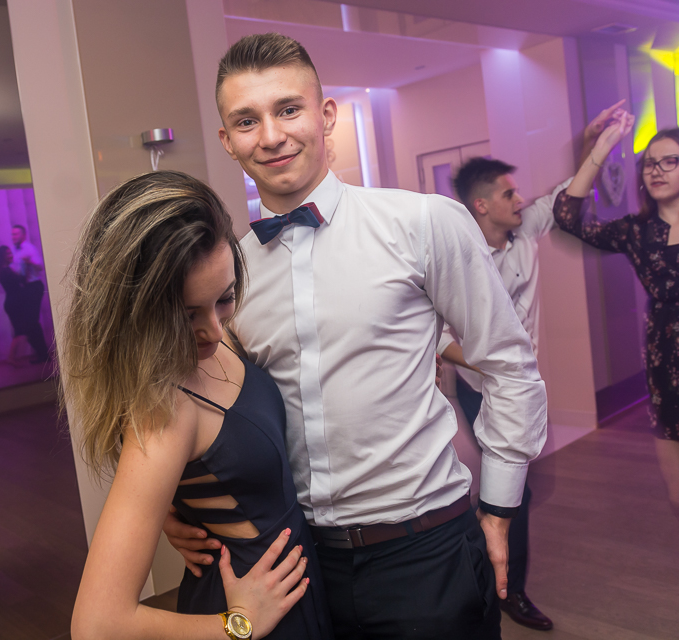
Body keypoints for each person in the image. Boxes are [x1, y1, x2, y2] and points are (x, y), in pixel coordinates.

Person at [165, 33, 547, 639]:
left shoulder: (421, 223)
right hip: (296, 562)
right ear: (227, 140)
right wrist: (173, 509)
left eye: (288, 109)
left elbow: (507, 364)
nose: (271, 136)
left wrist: (499, 510)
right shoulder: (230, 270)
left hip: (425, 550)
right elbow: (208, 401)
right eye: (247, 120)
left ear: (326, 116)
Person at [65, 171, 332, 640]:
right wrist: (241, 625)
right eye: (187, 315)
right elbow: (97, 625)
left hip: (288, 586)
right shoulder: (164, 411)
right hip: (248, 608)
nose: (213, 330)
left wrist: (179, 505)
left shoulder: (211, 338)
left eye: (224, 299)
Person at [438, 102, 622, 631]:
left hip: (522, 388)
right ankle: (505, 590)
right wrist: (491, 364)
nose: (520, 200)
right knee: (511, 490)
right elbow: (440, 337)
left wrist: (592, 145)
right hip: (479, 390)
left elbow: (568, 195)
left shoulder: (524, 231)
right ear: (481, 205)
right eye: (508, 194)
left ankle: (486, 570)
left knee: (514, 488)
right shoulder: (458, 259)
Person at [552, 114, 679, 522]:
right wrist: (601, 149)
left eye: (670, 161)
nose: (656, 170)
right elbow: (567, 217)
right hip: (667, 363)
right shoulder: (637, 231)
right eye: (650, 163)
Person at [0, 246, 48, 367]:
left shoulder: (4, 270)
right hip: (14, 304)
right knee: (21, 331)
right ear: (3, 257)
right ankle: (11, 358)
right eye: (8, 254)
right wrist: (27, 265)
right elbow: (21, 280)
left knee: (21, 331)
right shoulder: (5, 271)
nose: (11, 255)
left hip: (13, 303)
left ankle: (14, 358)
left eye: (11, 253)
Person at [11, 224, 49, 363]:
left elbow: (40, 267)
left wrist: (30, 261)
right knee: (29, 322)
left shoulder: (29, 248)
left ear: (23, 235)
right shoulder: (14, 251)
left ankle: (43, 355)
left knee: (31, 322)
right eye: (12, 234)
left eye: (16, 234)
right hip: (25, 288)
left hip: (34, 286)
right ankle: (42, 354)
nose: (13, 236)